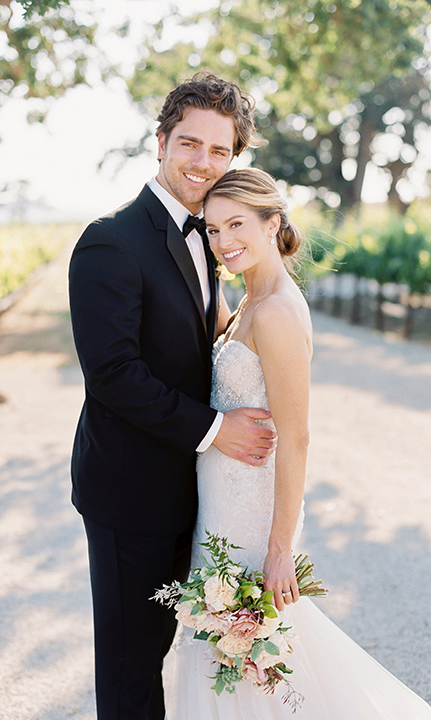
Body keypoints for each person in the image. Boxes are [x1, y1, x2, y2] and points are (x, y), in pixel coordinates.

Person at [163, 167, 431, 719]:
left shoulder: (279, 310)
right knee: (229, 659)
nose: (222, 241)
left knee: (253, 658)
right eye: (211, 229)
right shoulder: (245, 302)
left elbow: (298, 436)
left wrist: (280, 546)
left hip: (252, 516)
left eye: (236, 224)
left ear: (272, 223)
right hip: (219, 504)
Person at [68, 73, 277, 720]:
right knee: (132, 670)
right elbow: (113, 375)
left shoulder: (210, 238)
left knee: (168, 651)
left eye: (220, 151)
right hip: (130, 495)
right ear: (160, 142)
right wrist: (218, 430)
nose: (203, 163)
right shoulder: (110, 242)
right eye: (190, 144)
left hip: (191, 491)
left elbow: (191, 339)